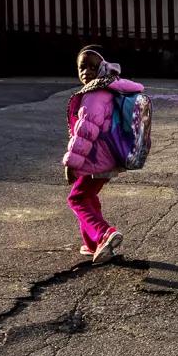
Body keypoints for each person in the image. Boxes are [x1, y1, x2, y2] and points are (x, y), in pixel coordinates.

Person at [62, 45, 143, 264]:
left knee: (77, 198)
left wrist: (71, 163)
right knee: (88, 196)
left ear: (103, 67)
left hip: (94, 158)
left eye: (92, 67)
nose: (86, 72)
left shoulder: (94, 95)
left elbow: (85, 132)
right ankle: (92, 244)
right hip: (109, 157)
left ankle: (105, 233)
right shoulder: (111, 88)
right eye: (82, 67)